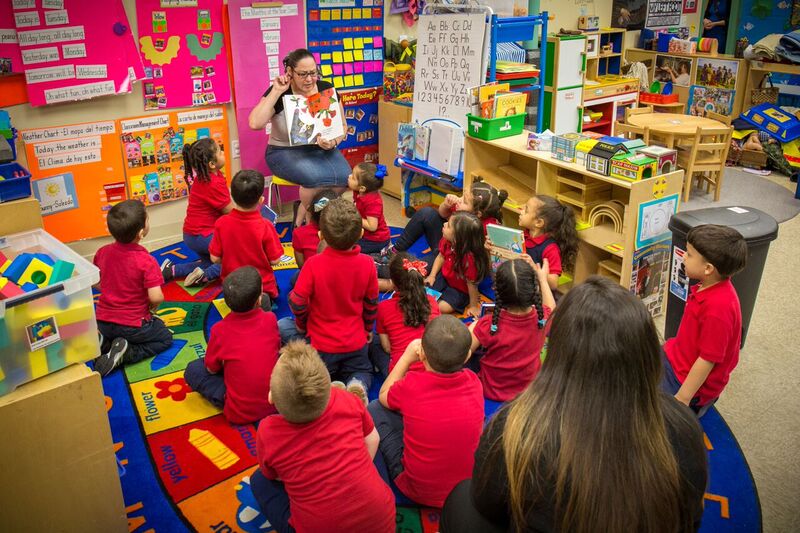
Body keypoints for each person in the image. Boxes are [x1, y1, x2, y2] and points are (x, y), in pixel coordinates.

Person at [440, 277, 708, 533]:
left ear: (557, 351)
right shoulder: (682, 426)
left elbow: (487, 502)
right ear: (647, 354)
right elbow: (689, 519)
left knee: (462, 500)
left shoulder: (516, 425)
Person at [252, 341, 395, 533]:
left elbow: (273, 475)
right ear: (329, 387)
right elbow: (373, 439)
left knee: (259, 480)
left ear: (272, 398)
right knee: (367, 442)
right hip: (381, 518)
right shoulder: (347, 399)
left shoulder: (268, 430)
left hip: (317, 526)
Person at [368, 315, 484, 508]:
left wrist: (406, 357)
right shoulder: (474, 382)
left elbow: (383, 395)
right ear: (467, 357)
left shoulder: (411, 384)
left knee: (374, 408)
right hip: (464, 488)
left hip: (416, 490)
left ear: (422, 355)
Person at [278, 198, 379, 404]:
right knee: (363, 370)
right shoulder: (368, 264)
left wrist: (302, 323)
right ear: (360, 234)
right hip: (355, 342)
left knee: (281, 326)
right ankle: (356, 384)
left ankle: (327, 382)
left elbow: (297, 301)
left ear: (320, 235)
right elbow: (371, 303)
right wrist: (368, 328)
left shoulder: (314, 264)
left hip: (321, 345)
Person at [248, 48, 349, 227]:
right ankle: (308, 225)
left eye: (313, 73)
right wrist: (276, 91)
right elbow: (255, 123)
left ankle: (309, 212)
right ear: (290, 72)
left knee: (345, 177)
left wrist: (333, 141)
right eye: (302, 74)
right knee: (315, 179)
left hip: (320, 149)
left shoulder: (326, 89)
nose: (309, 79)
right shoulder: (281, 92)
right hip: (283, 151)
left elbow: (342, 126)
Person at [662, 224, 747, 417]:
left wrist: (682, 399)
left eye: (689, 254)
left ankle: (693, 411)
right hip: (677, 357)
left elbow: (707, 359)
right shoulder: (708, 285)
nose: (683, 256)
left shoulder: (719, 308)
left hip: (686, 381)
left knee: (648, 412)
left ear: (708, 268)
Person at [184, 266, 280, 424]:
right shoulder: (270, 319)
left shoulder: (220, 330)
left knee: (194, 369)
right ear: (259, 299)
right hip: (277, 402)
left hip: (240, 412)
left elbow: (210, 369)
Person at [93, 200, 173, 376]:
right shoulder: (146, 261)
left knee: (116, 332)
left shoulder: (102, 252)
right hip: (133, 325)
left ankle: (104, 343)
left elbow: (97, 282)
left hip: (103, 321)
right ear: (141, 233)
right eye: (148, 220)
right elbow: (156, 296)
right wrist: (154, 305)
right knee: (165, 338)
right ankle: (128, 352)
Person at [468, 257, 554, 402]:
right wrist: (543, 280)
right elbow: (552, 308)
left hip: (491, 390)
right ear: (534, 289)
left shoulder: (488, 324)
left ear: (496, 291)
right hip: (527, 391)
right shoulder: (542, 318)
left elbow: (461, 350)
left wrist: (473, 327)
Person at [208, 170, 283, 310]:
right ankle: (262, 301)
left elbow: (214, 258)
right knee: (273, 292)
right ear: (261, 200)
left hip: (232, 286)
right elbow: (275, 260)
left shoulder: (221, 223)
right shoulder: (265, 225)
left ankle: (242, 304)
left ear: (232, 197)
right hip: (261, 285)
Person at [162, 138, 233, 287]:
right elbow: (230, 212)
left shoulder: (205, 177)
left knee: (208, 263)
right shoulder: (213, 183)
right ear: (212, 164)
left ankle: (172, 271)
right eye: (220, 152)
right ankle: (204, 276)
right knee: (234, 258)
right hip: (204, 236)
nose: (223, 153)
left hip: (191, 235)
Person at [381, 178, 507, 257]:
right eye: (462, 196)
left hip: (456, 259)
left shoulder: (488, 227)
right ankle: (395, 251)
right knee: (427, 213)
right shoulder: (461, 207)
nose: (460, 200)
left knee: (422, 270)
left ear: (478, 214)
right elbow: (441, 214)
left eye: (465, 201)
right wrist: (446, 205)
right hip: (446, 246)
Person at [371, 252, 441, 377]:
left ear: (393, 283)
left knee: (373, 342)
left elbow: (387, 347)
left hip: (402, 375)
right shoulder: (432, 301)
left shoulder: (384, 307)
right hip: (434, 370)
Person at [423, 211, 489, 317]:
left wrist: (473, 306)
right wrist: (432, 275)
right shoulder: (446, 240)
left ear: (458, 238)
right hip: (444, 277)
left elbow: (471, 284)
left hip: (460, 289)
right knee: (425, 294)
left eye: (448, 225)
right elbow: (440, 257)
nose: (444, 224)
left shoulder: (469, 259)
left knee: (443, 307)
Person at [518, 195, 578, 291]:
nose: (520, 210)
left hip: (538, 298)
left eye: (526, 210)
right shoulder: (523, 235)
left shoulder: (550, 249)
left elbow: (553, 284)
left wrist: (534, 268)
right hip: (521, 290)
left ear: (539, 222)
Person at [348, 162, 391, 254]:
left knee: (347, 248)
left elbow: (372, 227)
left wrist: (353, 215)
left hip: (376, 240)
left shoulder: (373, 202)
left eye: (353, 177)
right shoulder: (358, 191)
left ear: (362, 188)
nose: (349, 176)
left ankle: (383, 253)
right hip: (365, 234)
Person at [291, 188, 337, 270]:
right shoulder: (343, 230)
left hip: (311, 274)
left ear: (309, 209)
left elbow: (301, 266)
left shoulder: (299, 233)